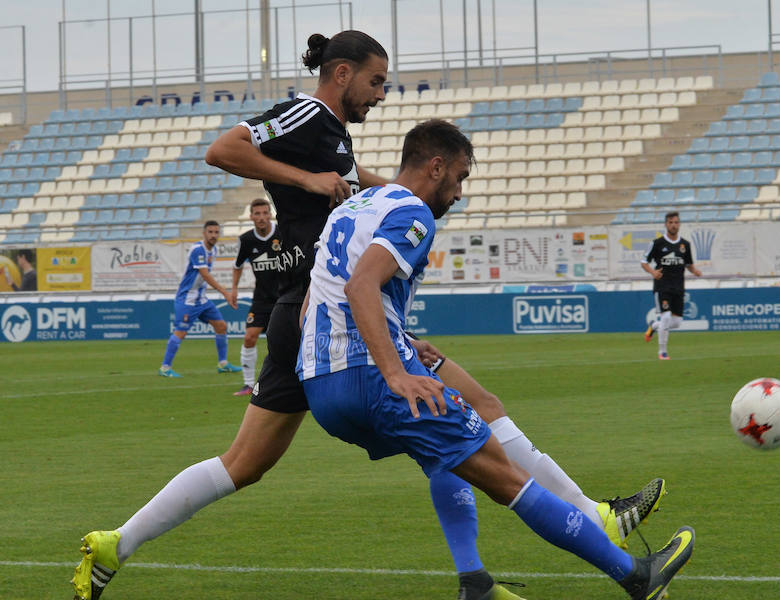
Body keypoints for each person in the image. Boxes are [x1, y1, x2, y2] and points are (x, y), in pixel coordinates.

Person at [71, 31, 661, 600]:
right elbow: (222, 150)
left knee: (243, 464)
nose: (381, 95)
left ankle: (116, 544)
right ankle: (594, 523)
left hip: (306, 312)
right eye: (376, 82)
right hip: (324, 312)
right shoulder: (306, 116)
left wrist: (408, 190)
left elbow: (355, 184)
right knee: (470, 409)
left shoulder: (333, 136)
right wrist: (307, 178)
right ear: (343, 73)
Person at [298, 118, 695, 600]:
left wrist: (397, 339)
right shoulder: (413, 213)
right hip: (374, 379)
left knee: (443, 455)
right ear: (437, 166)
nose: (460, 193)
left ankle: (475, 581)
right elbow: (362, 285)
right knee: (505, 474)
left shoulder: (351, 209)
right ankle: (635, 576)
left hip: (321, 384)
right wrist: (394, 371)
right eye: (461, 178)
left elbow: (317, 303)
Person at [158, 220, 241, 378]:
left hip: (201, 299)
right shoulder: (198, 249)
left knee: (221, 326)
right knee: (181, 332)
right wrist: (225, 292)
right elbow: (204, 274)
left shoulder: (214, 250)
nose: (213, 235)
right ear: (204, 233)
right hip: (187, 300)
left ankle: (223, 364)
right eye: (210, 232)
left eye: (216, 232)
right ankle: (165, 367)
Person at [230, 198, 280, 396]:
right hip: (261, 299)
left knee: (285, 341)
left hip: (284, 297)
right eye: (257, 214)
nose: (261, 217)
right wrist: (233, 289)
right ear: (251, 216)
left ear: (270, 214)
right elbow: (237, 265)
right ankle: (249, 384)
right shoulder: (246, 240)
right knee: (250, 337)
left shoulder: (282, 233)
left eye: (265, 213)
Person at [641, 211, 702, 360]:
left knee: (677, 322)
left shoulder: (685, 245)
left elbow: (688, 264)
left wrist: (695, 271)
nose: (673, 225)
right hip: (662, 286)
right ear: (666, 224)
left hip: (678, 287)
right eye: (670, 222)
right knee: (666, 317)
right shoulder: (657, 243)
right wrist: (652, 272)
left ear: (679, 224)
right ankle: (662, 352)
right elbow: (644, 262)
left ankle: (654, 326)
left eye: (676, 222)